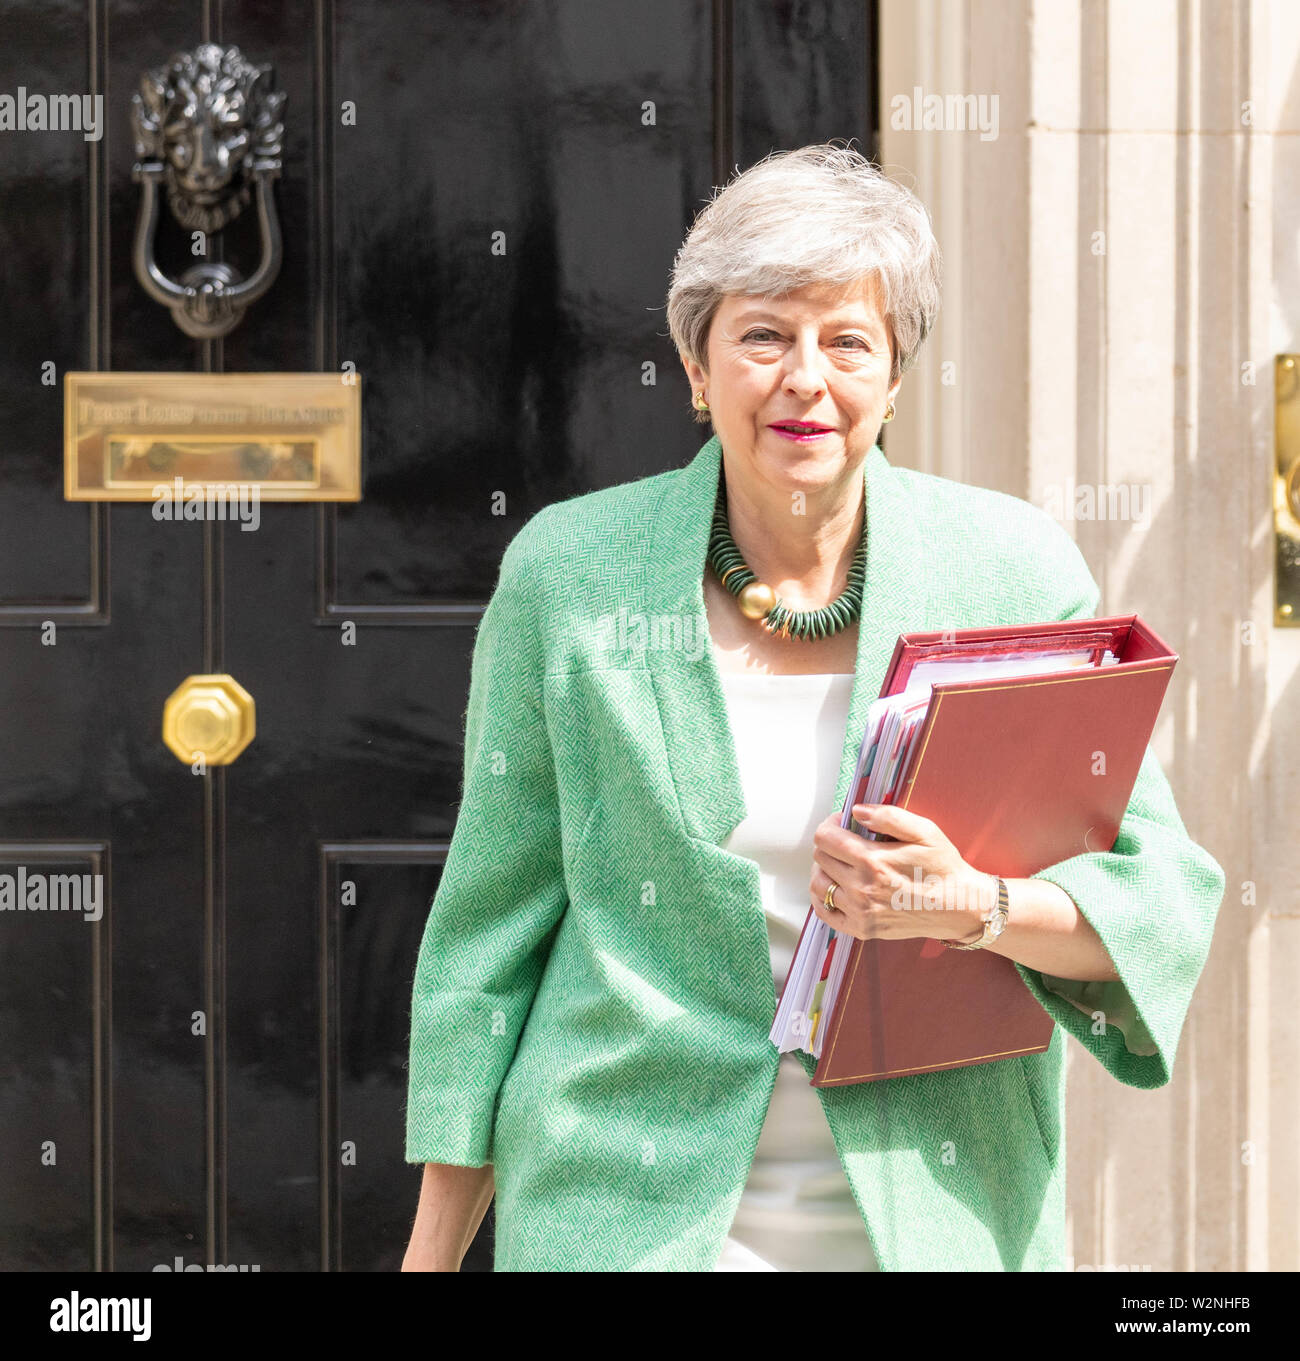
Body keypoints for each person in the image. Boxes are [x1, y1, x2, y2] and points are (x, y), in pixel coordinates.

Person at [401, 143, 1225, 1272]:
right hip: (625, 1214)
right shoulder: (570, 574)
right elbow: (489, 933)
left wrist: (972, 903)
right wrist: (432, 1254)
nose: (805, 377)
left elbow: (1160, 897)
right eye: (762, 334)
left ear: (893, 377)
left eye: (847, 340)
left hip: (937, 1210)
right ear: (696, 366)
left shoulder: (1010, 573)